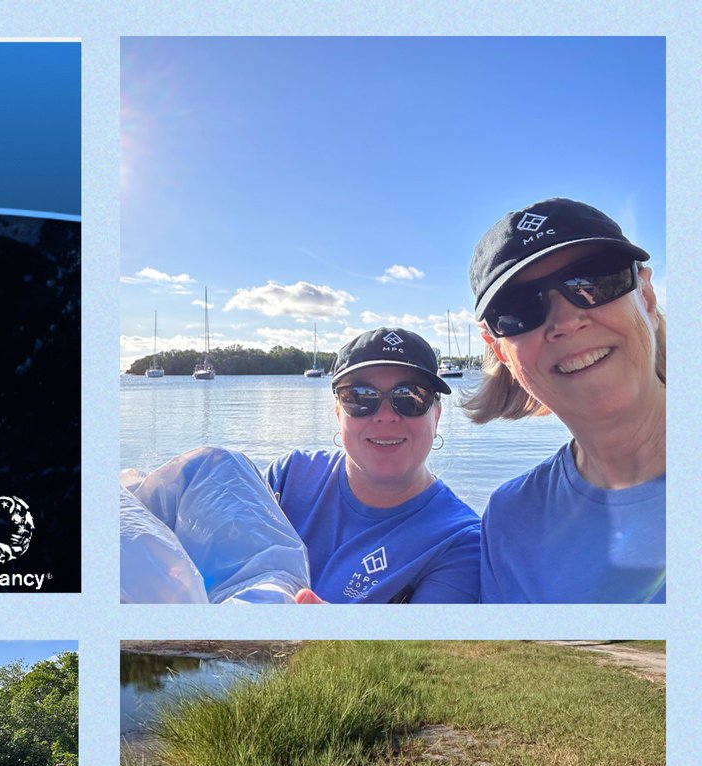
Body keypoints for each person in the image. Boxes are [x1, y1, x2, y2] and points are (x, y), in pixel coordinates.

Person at [464, 197, 665, 602]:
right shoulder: (510, 519)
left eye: (592, 282)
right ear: (500, 350)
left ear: (645, 296)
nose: (567, 322)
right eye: (519, 309)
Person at [265, 328, 480, 602]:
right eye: (360, 398)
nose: (386, 416)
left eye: (410, 397)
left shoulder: (461, 541)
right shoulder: (289, 477)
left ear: (436, 416)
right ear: (338, 413)